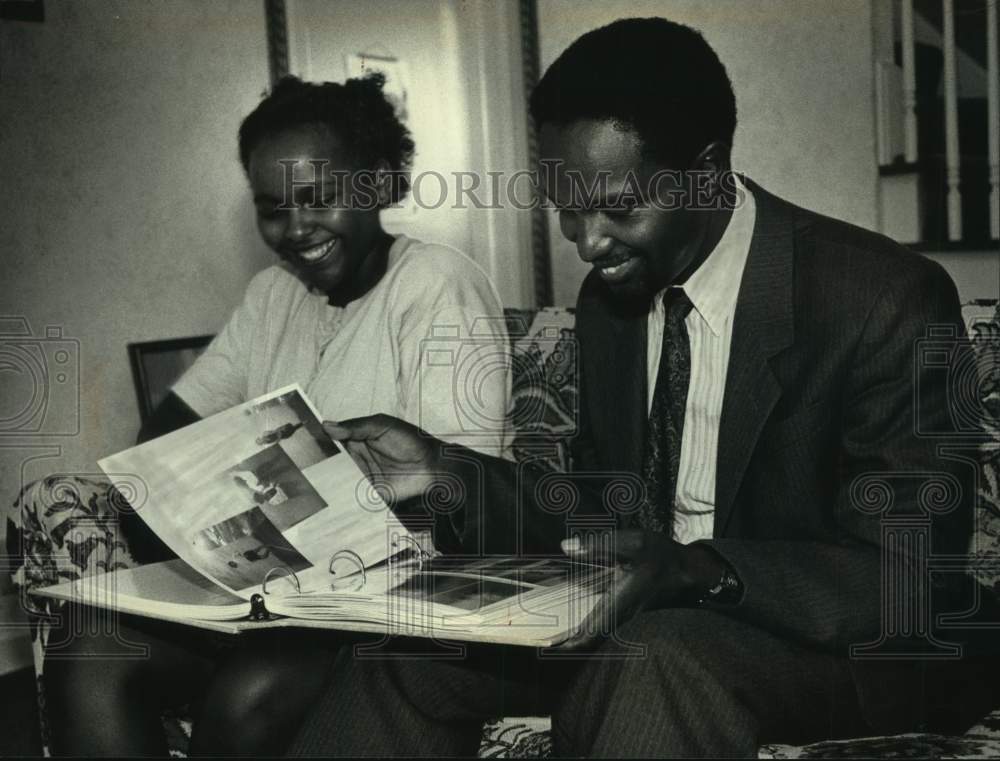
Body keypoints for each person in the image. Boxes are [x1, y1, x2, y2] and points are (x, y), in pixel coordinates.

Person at [285, 18, 998, 757]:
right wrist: (448, 472)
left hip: (836, 648)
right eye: (567, 208)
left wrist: (698, 570)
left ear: (707, 168)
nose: (588, 243)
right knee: (406, 652)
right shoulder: (612, 306)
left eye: (619, 208)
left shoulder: (881, 297)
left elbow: (908, 574)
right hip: (644, 622)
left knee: (658, 657)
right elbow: (603, 510)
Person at [43, 74, 511, 756]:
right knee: (88, 644)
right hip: (271, 591)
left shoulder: (438, 283)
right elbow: (165, 432)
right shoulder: (270, 296)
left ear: (377, 183)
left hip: (386, 605)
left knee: (251, 688)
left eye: (319, 199)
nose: (295, 230)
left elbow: (460, 490)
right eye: (272, 208)